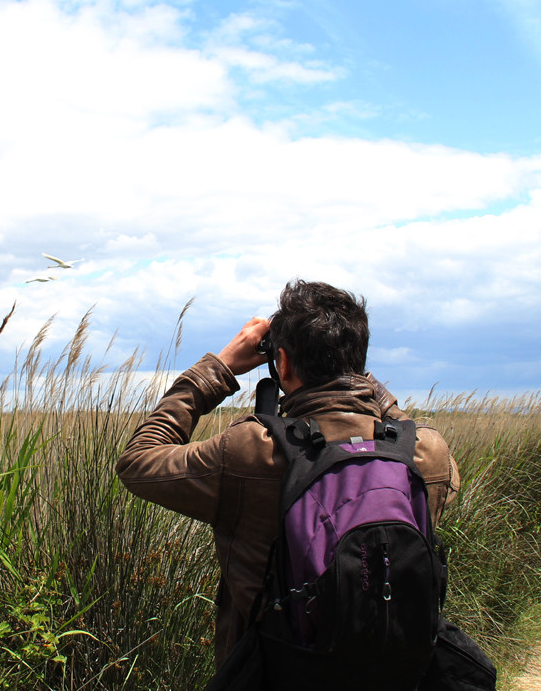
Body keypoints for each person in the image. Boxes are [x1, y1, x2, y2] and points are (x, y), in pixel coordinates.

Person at [115, 280, 460, 667]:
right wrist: (357, 377)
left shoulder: (251, 451)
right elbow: (400, 427)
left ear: (281, 363)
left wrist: (221, 367)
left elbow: (137, 461)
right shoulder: (426, 454)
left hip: (275, 671)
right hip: (393, 672)